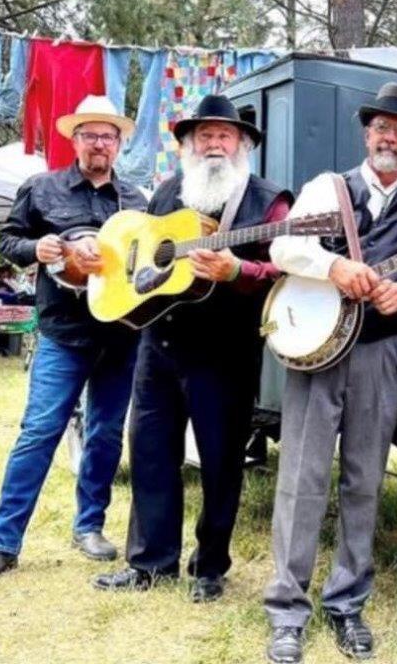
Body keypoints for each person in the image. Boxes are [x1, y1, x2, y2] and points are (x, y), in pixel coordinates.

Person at [263, 83, 397, 663]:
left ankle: (347, 602)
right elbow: (283, 251)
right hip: (321, 350)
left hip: (381, 352)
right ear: (367, 135)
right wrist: (335, 265)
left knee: (364, 480)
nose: (389, 136)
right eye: (380, 127)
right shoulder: (329, 188)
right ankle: (287, 611)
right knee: (301, 477)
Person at [93, 95, 292, 603]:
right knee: (152, 454)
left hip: (224, 354)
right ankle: (149, 562)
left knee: (222, 462)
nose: (214, 144)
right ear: (186, 145)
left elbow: (286, 268)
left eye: (225, 135)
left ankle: (209, 567)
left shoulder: (269, 203)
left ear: (243, 144)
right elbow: (137, 254)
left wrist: (238, 271)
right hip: (157, 347)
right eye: (204, 136)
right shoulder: (166, 192)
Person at [0, 95, 147, 588]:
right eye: (90, 134)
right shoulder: (41, 188)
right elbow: (10, 241)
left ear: (118, 143)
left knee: (107, 434)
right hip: (63, 333)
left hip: (121, 334)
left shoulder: (136, 200)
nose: (99, 143)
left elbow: (146, 261)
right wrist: (38, 249)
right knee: (39, 431)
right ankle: (4, 543)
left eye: (108, 135)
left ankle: (90, 526)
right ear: (75, 139)